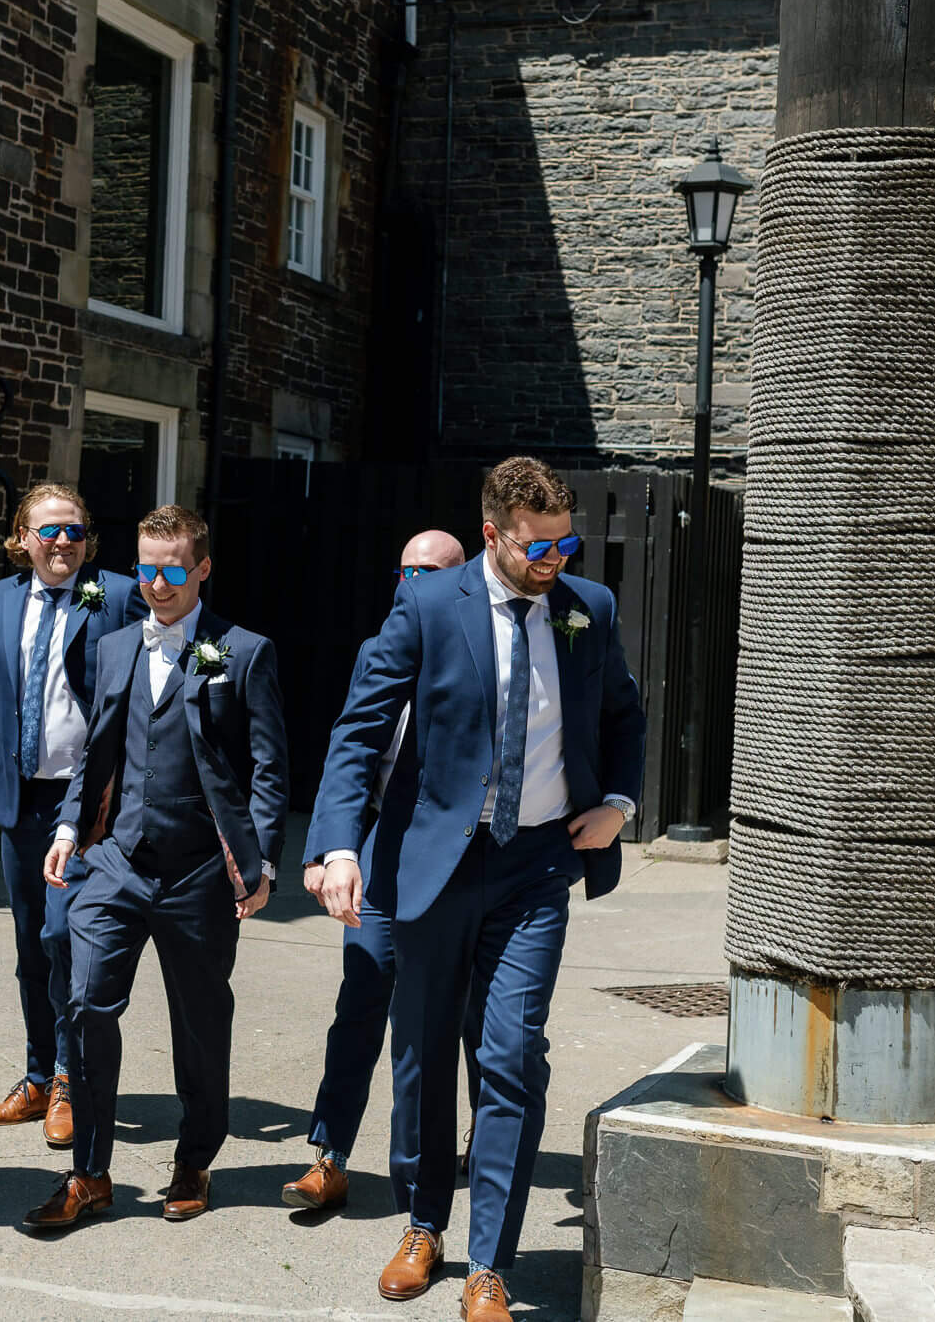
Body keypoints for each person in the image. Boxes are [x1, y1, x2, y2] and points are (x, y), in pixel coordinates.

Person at [309, 457, 646, 1322]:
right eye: (539, 545)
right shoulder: (428, 606)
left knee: (508, 1055)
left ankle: (488, 1264)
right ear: (493, 533)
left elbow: (623, 716)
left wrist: (617, 802)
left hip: (534, 868)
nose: (557, 558)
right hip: (433, 865)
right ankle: (423, 1224)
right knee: (421, 1053)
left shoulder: (587, 611)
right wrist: (338, 845)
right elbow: (358, 729)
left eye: (567, 541)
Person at [21, 505, 290, 1231]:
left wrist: (259, 859)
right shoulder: (111, 649)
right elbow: (96, 750)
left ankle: (194, 1157)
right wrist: (71, 825)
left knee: (200, 1023)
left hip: (200, 870)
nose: (158, 583)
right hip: (115, 863)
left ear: (203, 568)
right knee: (83, 1004)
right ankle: (90, 1172)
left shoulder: (244, 651)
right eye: (146, 568)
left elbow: (268, 768)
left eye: (174, 569)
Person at [283, 528, 476, 1216]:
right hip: (379, 851)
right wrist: (330, 848)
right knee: (361, 998)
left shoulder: (476, 652)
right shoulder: (376, 651)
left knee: (454, 1021)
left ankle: (447, 1166)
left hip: (455, 860)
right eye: (407, 573)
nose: (416, 585)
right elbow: (351, 747)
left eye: (433, 574)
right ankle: (329, 1157)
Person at [0, 484, 144, 1148]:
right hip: (17, 798)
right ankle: (36, 1075)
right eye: (50, 530)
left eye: (77, 531)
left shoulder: (115, 595)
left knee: (64, 937)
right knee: (32, 945)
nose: (64, 542)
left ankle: (67, 1076)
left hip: (87, 805)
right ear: (22, 536)